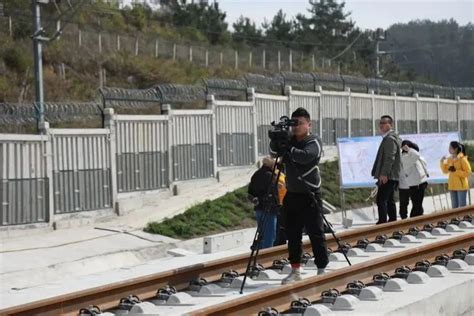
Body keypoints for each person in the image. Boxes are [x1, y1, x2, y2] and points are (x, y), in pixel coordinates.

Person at [270, 107, 328, 284]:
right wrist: (277, 140)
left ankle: (322, 269)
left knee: (315, 233)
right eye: (293, 124)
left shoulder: (313, 141)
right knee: (292, 234)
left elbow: (306, 157)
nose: (296, 127)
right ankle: (296, 270)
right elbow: (274, 153)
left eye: (300, 123)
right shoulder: (290, 140)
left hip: (310, 194)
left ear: (309, 124)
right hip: (292, 194)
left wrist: (289, 149)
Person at [248, 156, 285, 249]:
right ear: (272, 165)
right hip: (269, 209)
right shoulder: (270, 176)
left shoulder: (256, 174)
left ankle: (259, 254)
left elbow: (250, 192)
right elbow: (274, 192)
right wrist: (278, 206)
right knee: (270, 235)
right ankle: (266, 258)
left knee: (262, 234)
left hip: (258, 208)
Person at [371, 115, 402, 224]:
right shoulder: (391, 138)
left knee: (381, 200)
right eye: (380, 123)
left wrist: (384, 174)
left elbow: (390, 157)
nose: (381, 125)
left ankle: (382, 223)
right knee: (389, 200)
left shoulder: (389, 139)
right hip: (391, 175)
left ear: (390, 124)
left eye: (384, 123)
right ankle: (392, 222)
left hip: (389, 175)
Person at [399, 140, 429, 219]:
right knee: (415, 205)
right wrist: (409, 149)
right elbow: (416, 155)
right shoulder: (405, 158)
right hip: (413, 185)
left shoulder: (416, 157)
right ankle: (413, 222)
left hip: (421, 183)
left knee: (418, 205)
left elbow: (423, 165)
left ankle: (417, 221)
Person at [440, 141, 472, 208]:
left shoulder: (462, 159)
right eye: (449, 147)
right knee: (454, 206)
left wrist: (456, 171)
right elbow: (445, 171)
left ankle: (464, 217)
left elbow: (468, 172)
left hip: (461, 186)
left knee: (462, 206)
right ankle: (454, 218)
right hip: (452, 185)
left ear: (456, 149)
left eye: (450, 148)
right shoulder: (449, 159)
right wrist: (442, 162)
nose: (449, 149)